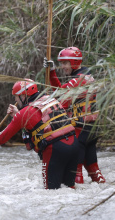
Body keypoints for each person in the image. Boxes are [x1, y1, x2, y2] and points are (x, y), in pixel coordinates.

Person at [0, 79, 79, 189]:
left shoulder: (24, 113)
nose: (15, 99)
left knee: (51, 191)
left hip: (55, 149)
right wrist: (17, 114)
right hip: (74, 145)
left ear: (24, 96)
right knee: (69, 188)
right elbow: (39, 122)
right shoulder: (50, 99)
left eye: (16, 96)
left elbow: (3, 136)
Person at [44, 47, 106, 184]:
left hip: (81, 128)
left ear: (74, 62)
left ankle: (77, 197)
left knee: (75, 170)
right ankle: (99, 190)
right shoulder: (86, 76)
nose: (63, 66)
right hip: (92, 128)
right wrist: (52, 72)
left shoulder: (77, 80)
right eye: (61, 63)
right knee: (93, 167)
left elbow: (60, 98)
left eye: (65, 63)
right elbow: (62, 92)